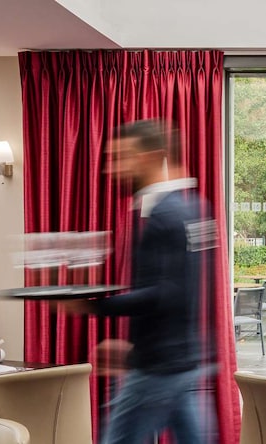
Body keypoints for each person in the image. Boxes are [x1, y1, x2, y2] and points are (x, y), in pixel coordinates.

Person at [62, 120, 217, 444]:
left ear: (151, 156)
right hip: (182, 362)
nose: (111, 169)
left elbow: (165, 294)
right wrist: (135, 349)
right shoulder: (192, 208)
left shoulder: (164, 215)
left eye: (122, 157)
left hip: (157, 370)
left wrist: (92, 307)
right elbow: (182, 294)